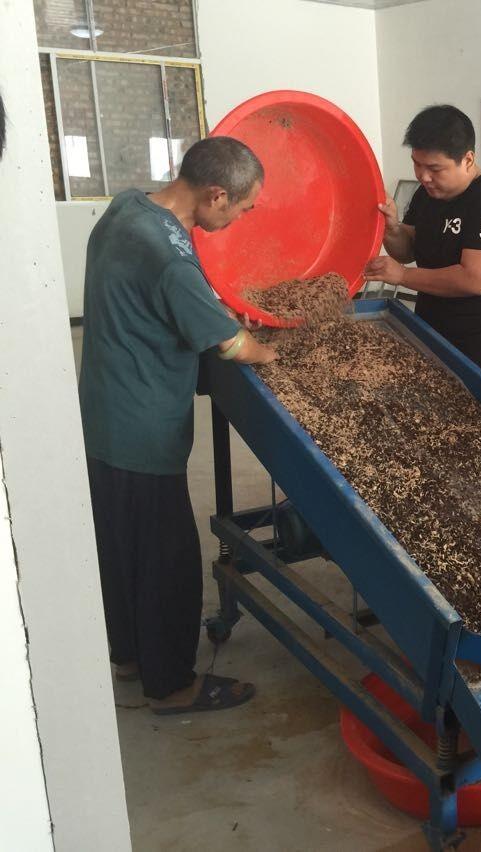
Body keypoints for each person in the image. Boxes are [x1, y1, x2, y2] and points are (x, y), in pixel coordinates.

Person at [80, 136, 277, 715]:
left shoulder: (127, 209)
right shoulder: (169, 257)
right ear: (216, 194)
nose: (238, 219)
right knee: (165, 559)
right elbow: (232, 344)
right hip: (143, 427)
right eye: (240, 209)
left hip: (103, 415)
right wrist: (269, 352)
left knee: (120, 548)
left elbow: (166, 300)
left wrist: (209, 306)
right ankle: (172, 685)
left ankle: (130, 658)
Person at [365, 104, 481, 386]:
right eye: (417, 163)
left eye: (435, 168)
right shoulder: (427, 196)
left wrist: (402, 276)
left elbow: (474, 279)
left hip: (480, 355)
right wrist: (392, 228)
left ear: (468, 159)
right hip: (431, 339)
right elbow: (407, 249)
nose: (423, 176)